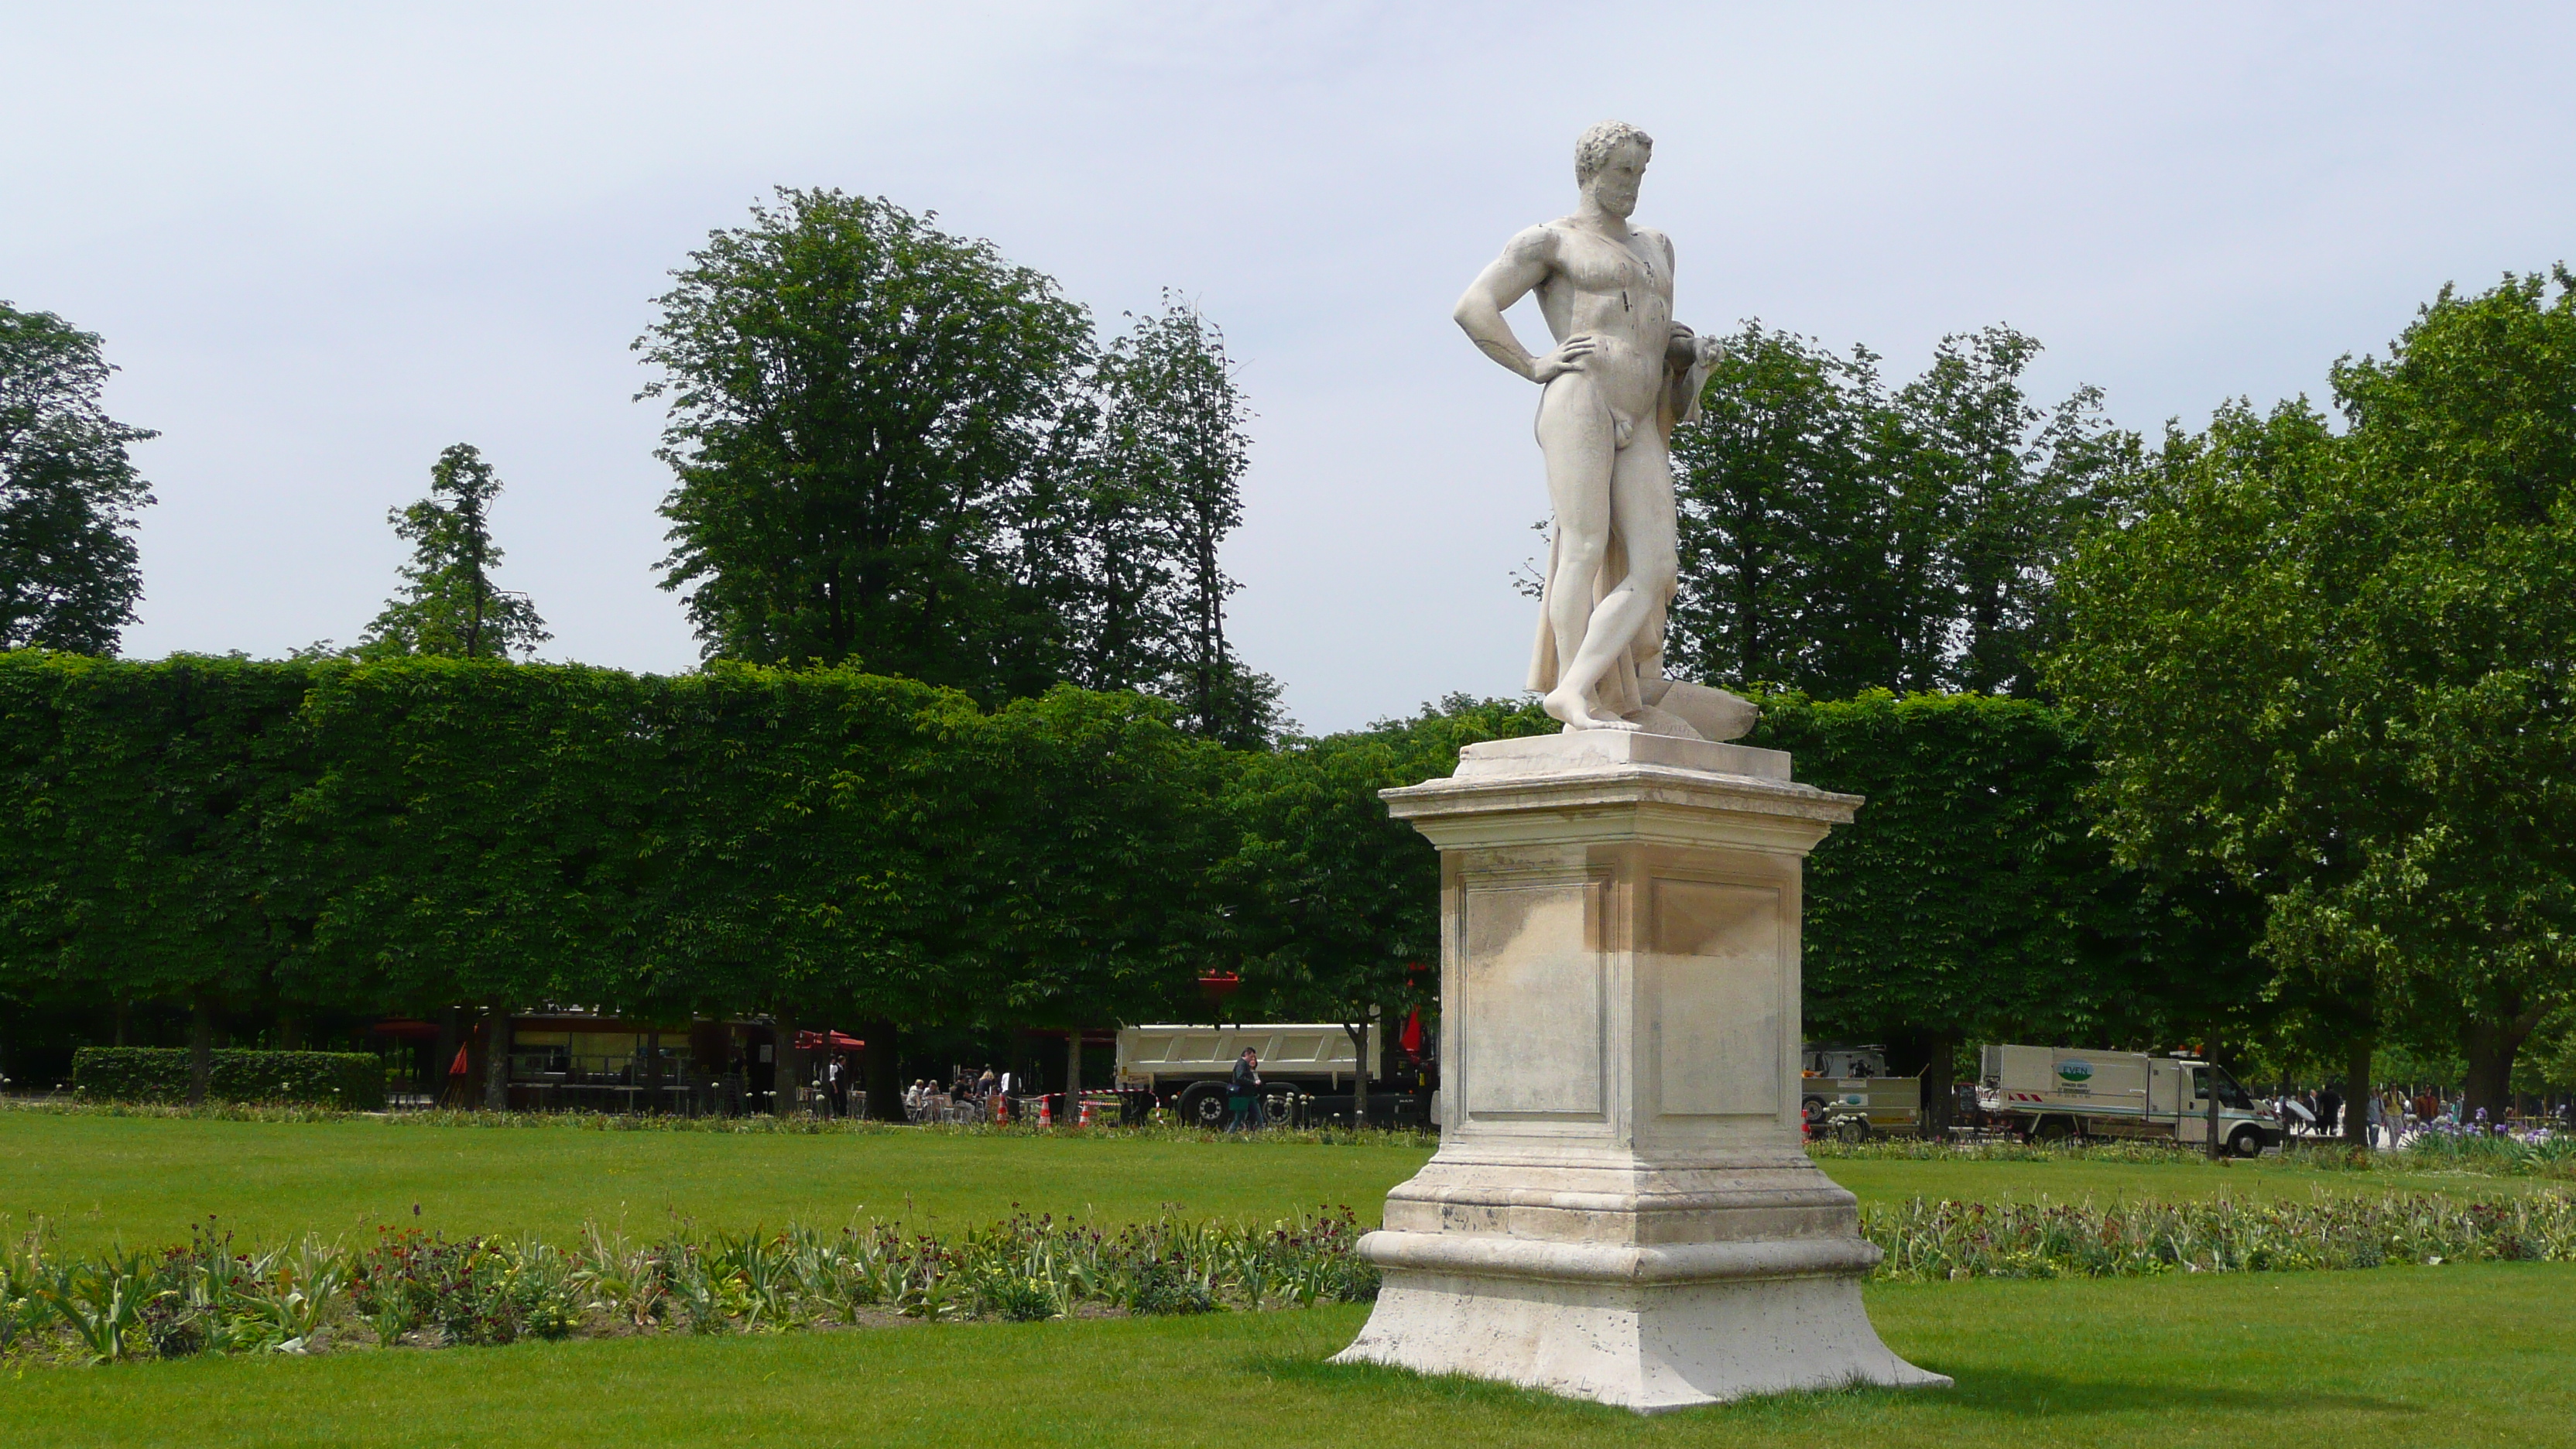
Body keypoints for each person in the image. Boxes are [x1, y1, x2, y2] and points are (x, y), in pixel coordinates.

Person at [1452, 120, 1742, 736]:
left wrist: (1690, 351)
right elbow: (1473, 305)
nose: (1632, 185)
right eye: (1622, 172)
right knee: (1582, 548)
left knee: (1657, 567)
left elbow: (1657, 329)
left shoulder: (1657, 245)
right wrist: (1533, 363)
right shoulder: (1549, 241)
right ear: (1590, 171)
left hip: (1641, 411)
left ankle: (1582, 685)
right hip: (1580, 395)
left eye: (1639, 172)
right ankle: (1572, 695)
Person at [1227, 1048, 1262, 1132]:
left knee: (1256, 1116)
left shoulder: (1244, 1064)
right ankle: (1229, 1134)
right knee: (1239, 1118)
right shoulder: (1241, 1064)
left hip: (1248, 1095)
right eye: (1251, 1056)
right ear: (1246, 1054)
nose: (1252, 1059)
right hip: (1241, 1095)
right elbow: (1240, 1078)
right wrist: (1253, 1082)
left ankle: (1259, 1132)